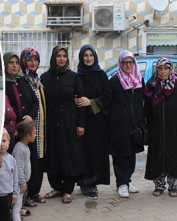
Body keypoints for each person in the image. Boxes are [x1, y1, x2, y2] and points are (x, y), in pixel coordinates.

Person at [40, 45, 85, 204]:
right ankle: (56, 187)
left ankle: (67, 190)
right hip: (51, 123)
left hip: (70, 122)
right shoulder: (45, 77)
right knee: (53, 154)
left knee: (69, 154)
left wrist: (81, 124)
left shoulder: (73, 77)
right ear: (53, 57)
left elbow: (81, 102)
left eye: (64, 56)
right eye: (58, 55)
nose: (61, 58)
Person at [144, 57, 177, 197]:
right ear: (156, 70)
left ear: (171, 70)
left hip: (174, 128)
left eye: (166, 68)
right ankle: (159, 185)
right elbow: (147, 109)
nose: (163, 72)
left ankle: (173, 187)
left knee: (174, 155)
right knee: (157, 154)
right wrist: (147, 126)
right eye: (160, 69)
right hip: (156, 128)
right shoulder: (151, 85)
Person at [75, 44, 112, 199]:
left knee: (96, 152)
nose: (88, 58)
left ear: (95, 57)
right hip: (82, 121)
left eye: (91, 55)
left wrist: (91, 102)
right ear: (81, 57)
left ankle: (93, 184)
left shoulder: (101, 75)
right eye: (85, 55)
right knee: (83, 153)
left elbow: (108, 96)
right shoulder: (77, 76)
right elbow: (73, 94)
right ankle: (84, 183)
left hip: (98, 122)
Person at [108, 51, 145, 198]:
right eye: (125, 62)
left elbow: (143, 100)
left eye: (130, 62)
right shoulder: (115, 80)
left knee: (131, 155)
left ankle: (127, 181)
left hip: (134, 125)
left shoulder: (139, 80)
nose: (128, 65)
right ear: (120, 63)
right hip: (118, 125)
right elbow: (108, 101)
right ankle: (121, 183)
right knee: (120, 155)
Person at [20, 47, 47, 205]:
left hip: (40, 127)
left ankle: (35, 192)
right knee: (29, 161)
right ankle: (27, 195)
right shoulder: (23, 80)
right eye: (29, 59)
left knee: (39, 161)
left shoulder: (38, 80)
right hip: (30, 127)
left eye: (35, 60)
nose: (33, 63)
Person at [4, 51, 39, 154]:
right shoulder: (5, 85)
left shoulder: (23, 81)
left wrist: (31, 117)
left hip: (28, 129)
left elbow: (35, 101)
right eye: (11, 62)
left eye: (17, 63)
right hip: (13, 132)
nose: (15, 65)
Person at [0, 128, 18, 221]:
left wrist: (15, 194)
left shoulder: (12, 160)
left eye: (4, 141)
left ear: (9, 141)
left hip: (7, 195)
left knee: (5, 217)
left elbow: (15, 178)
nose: (1, 144)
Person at [12, 119, 36, 221]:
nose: (36, 134)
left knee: (18, 205)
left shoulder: (24, 147)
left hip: (21, 183)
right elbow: (19, 168)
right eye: (34, 133)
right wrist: (22, 183)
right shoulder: (20, 149)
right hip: (18, 184)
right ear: (28, 135)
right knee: (16, 208)